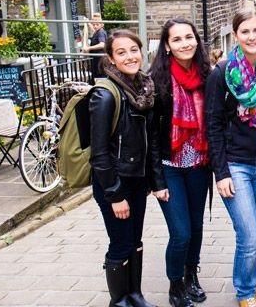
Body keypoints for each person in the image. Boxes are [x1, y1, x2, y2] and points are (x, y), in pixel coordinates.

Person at [206, 10, 256, 307]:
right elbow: (212, 125)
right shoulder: (222, 73)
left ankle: (252, 279)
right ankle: (245, 291)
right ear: (236, 36)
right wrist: (221, 172)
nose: (252, 37)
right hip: (235, 165)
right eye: (245, 32)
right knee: (249, 233)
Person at [90, 29, 159, 307]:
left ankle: (135, 295)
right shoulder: (105, 96)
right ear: (110, 58)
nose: (130, 56)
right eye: (121, 52)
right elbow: (99, 153)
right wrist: (115, 194)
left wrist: (152, 181)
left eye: (133, 49)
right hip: (114, 184)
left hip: (136, 182)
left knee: (135, 240)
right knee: (120, 243)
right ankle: (119, 301)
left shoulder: (143, 88)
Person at [149, 19, 212, 307]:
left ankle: (191, 276)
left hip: (199, 165)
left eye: (189, 37)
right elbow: (150, 134)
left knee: (196, 228)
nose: (185, 43)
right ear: (167, 46)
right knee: (181, 233)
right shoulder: (158, 81)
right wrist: (157, 181)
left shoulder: (208, 76)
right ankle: (175, 285)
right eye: (177, 39)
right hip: (170, 167)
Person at [85, 13, 108, 79]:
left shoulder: (101, 32)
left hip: (99, 59)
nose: (95, 26)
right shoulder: (97, 31)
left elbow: (102, 44)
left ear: (102, 25)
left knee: (100, 76)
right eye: (93, 24)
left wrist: (88, 48)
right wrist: (88, 23)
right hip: (96, 59)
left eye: (97, 24)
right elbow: (93, 29)